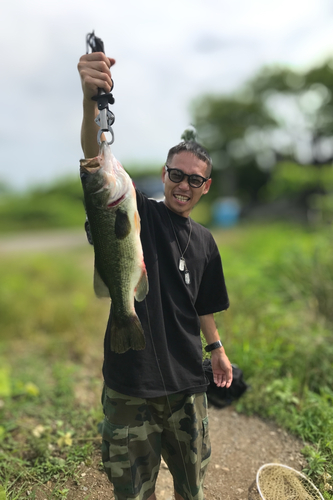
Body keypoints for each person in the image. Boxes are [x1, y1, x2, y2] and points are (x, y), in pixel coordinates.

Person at [77, 52, 233, 500]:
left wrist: (217, 350)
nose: (184, 185)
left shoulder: (206, 241)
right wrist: (91, 106)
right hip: (130, 385)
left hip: (188, 384)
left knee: (192, 487)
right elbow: (93, 157)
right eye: (176, 175)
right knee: (132, 493)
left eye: (195, 181)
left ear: (207, 187)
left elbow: (204, 304)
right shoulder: (138, 211)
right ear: (163, 176)